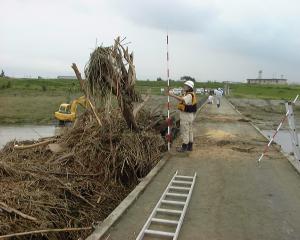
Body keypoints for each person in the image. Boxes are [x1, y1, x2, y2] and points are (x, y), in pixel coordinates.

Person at [168, 80, 197, 152]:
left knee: (185, 131)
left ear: (189, 87)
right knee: (190, 131)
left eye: (185, 86)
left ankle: (184, 147)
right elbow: (182, 99)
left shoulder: (189, 95)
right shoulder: (190, 94)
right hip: (190, 116)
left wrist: (171, 95)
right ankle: (190, 147)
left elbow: (182, 99)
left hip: (186, 117)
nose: (184, 87)